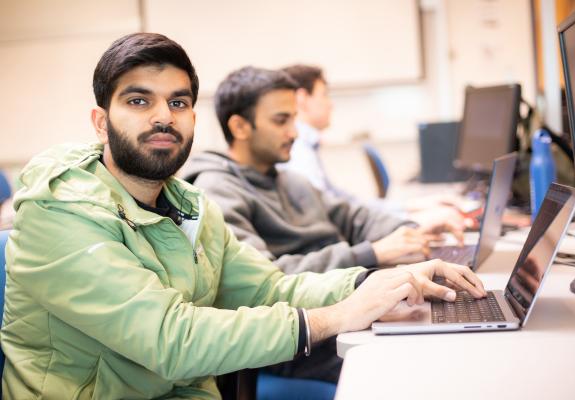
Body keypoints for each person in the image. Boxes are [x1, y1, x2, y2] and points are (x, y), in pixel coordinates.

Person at [1, 33, 486, 399]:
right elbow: (172, 339)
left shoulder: (189, 207)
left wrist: (380, 282)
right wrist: (338, 316)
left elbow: (271, 288)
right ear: (101, 122)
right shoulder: (60, 211)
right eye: (138, 100)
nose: (163, 116)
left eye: (179, 102)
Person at [188, 66, 477, 383]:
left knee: (445, 328)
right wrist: (371, 255)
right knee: (422, 363)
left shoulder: (289, 179)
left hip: (345, 300)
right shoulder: (218, 190)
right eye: (281, 120)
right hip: (303, 336)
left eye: (294, 119)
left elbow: (355, 216)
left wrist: (409, 231)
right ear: (240, 126)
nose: (294, 133)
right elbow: (267, 281)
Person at [279, 64, 471, 217]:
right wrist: (410, 220)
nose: (331, 104)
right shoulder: (297, 152)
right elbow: (330, 215)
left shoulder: (307, 147)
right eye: (324, 94)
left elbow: (344, 202)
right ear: (302, 98)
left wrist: (409, 207)